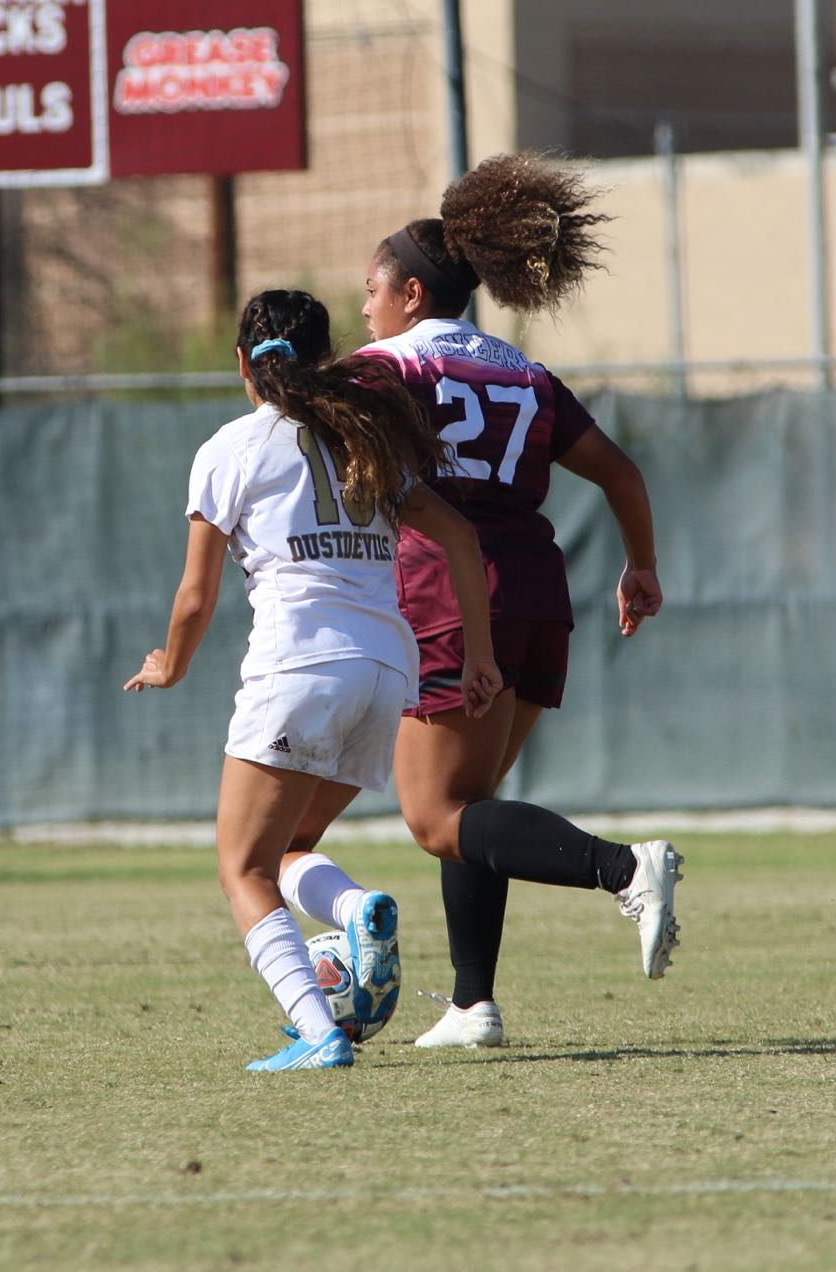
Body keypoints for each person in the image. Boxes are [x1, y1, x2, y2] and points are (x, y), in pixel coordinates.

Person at [126, 289, 501, 1072]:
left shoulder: (231, 447)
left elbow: (196, 598)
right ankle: (356, 907)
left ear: (242, 365)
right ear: (326, 360)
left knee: (243, 868)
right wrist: (478, 657)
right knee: (292, 846)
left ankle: (320, 1031)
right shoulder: (367, 441)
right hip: (386, 670)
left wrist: (170, 664)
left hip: (301, 663)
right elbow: (462, 538)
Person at [366, 152, 679, 1047]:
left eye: (373, 290)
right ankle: (472, 1005)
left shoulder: (388, 367)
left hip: (451, 598)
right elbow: (618, 471)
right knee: (473, 806)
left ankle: (625, 868)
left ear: (413, 296)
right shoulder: (522, 371)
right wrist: (641, 566)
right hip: (540, 591)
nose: (365, 308)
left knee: (434, 818)